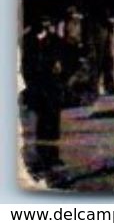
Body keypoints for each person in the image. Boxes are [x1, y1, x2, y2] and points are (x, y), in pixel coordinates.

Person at [21, 16, 72, 171]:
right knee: (41, 124)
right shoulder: (28, 40)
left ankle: (53, 157)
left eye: (47, 21)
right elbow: (25, 65)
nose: (45, 24)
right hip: (37, 87)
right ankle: (42, 158)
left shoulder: (55, 40)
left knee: (53, 123)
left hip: (53, 88)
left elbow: (66, 57)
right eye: (42, 21)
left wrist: (61, 68)